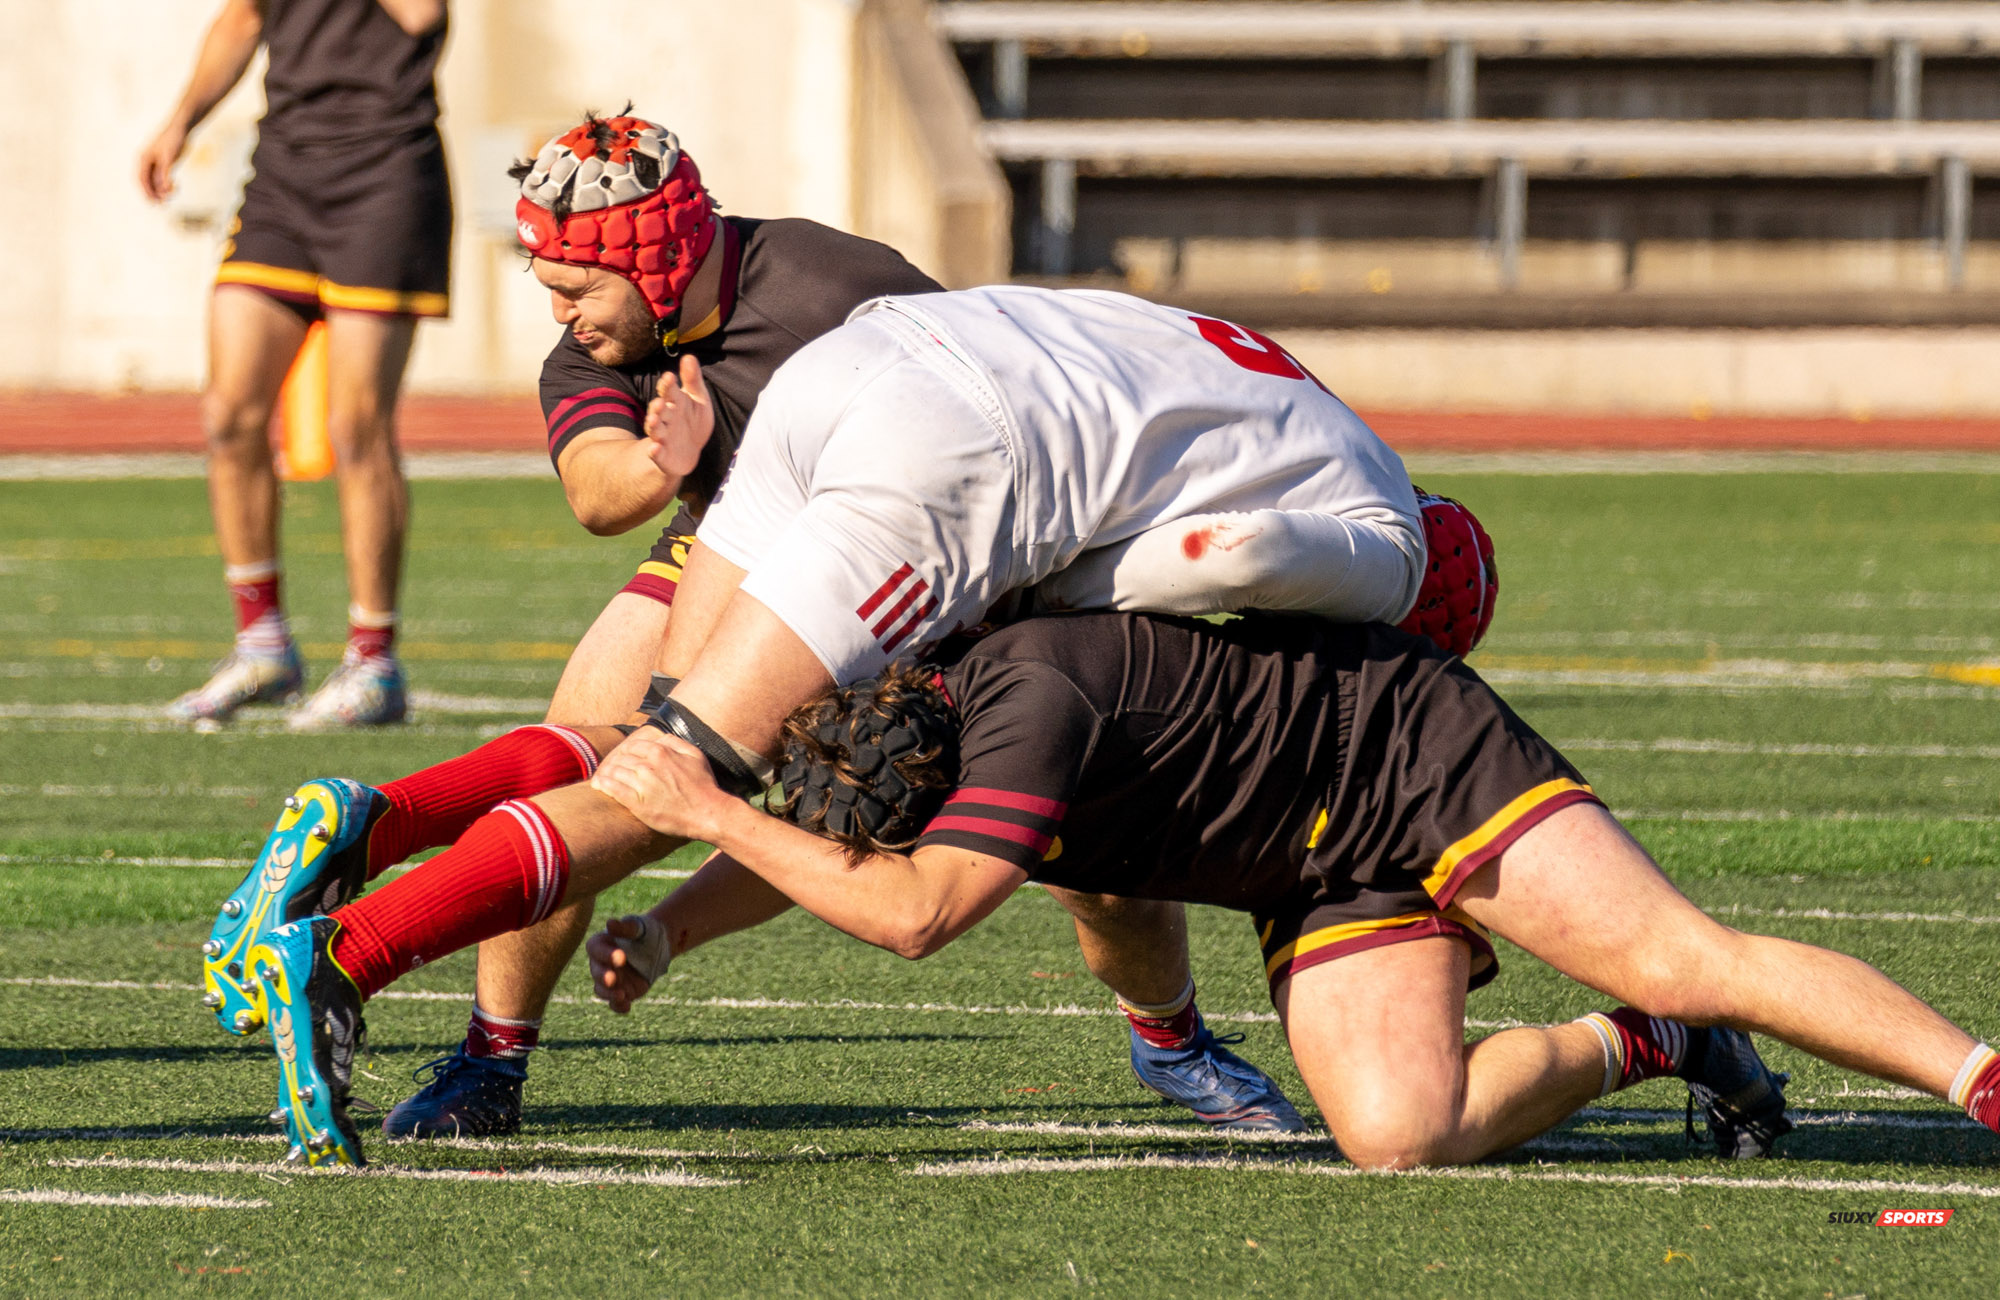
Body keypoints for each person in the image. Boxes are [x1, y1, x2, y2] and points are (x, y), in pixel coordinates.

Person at [219, 279, 1494, 1167]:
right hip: (949, 464)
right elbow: (1236, 547)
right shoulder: (1379, 538)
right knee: (685, 769)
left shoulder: (1287, 394)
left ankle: (376, 821)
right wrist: (1050, 591)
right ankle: (350, 951)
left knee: (666, 743)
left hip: (858, 377)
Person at [328, 111, 1312, 1138]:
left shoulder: (833, 284)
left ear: (657, 256)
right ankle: (493, 1053)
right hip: (730, 550)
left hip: (927, 558)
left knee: (1084, 838)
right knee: (591, 753)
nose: (562, 314)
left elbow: (995, 404)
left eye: (577, 287)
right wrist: (664, 465)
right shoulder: (597, 344)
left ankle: (1169, 1038)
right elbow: (594, 489)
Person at [584, 611, 2000, 1169]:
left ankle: (1977, 1079)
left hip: (1402, 750)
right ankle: (1653, 1046)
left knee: (1681, 947)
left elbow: (913, 913)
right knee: (1399, 1138)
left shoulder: (1027, 712)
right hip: (1303, 867)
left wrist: (708, 806)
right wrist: (668, 920)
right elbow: (839, 863)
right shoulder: (927, 740)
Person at [140, 0, 452, 730]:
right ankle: (262, 645)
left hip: (385, 169)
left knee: (356, 428)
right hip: (284, 172)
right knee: (229, 414)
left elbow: (420, 15)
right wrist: (180, 121)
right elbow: (244, 18)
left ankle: (374, 663)